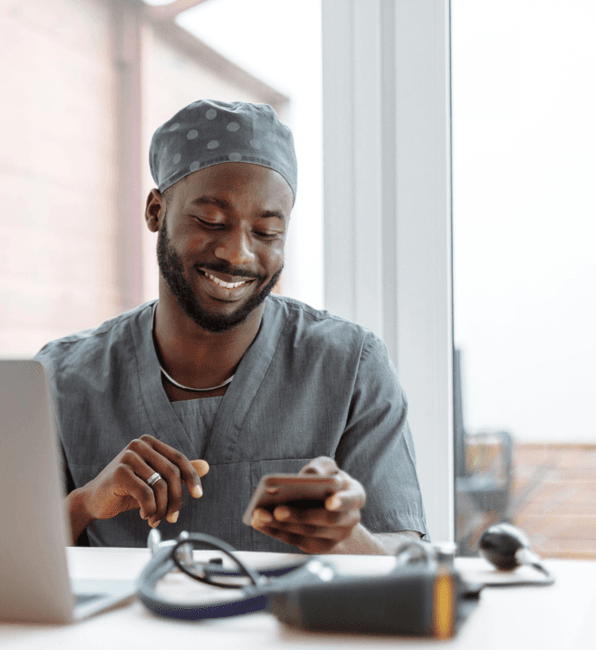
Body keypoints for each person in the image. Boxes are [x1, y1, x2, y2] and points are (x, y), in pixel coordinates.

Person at [35, 100, 426, 554]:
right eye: (210, 221)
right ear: (156, 211)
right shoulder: (62, 378)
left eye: (266, 232)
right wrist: (85, 503)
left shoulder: (348, 365)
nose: (238, 254)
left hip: (289, 627)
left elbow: (404, 552)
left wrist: (345, 536)